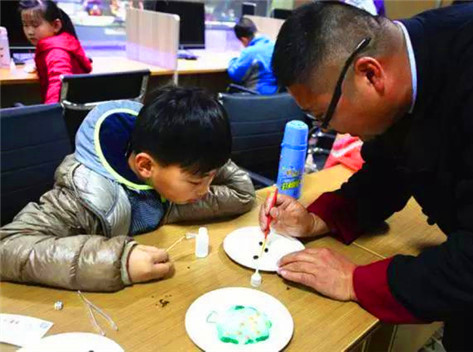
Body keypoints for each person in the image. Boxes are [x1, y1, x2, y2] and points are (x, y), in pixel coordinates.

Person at [260, 1, 473, 350]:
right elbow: (389, 169)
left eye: (323, 116)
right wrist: (318, 220)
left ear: (371, 74)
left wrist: (354, 280)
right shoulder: (407, 57)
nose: (329, 130)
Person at [0, 85, 255, 292]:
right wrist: (118, 261)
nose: (205, 191)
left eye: (212, 177)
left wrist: (205, 156)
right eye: (197, 181)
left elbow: (242, 193)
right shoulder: (81, 195)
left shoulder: (170, 182)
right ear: (145, 165)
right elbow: (7, 247)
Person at [19, 0, 92, 104]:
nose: (30, 32)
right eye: (25, 25)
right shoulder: (59, 43)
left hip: (63, 114)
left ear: (56, 25)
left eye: (35, 25)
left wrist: (50, 112)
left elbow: (59, 82)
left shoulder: (56, 52)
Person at [227, 17, 278, 95]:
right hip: (277, 95)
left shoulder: (250, 52)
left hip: (257, 96)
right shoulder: (274, 45)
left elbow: (235, 75)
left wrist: (232, 61)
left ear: (244, 39)